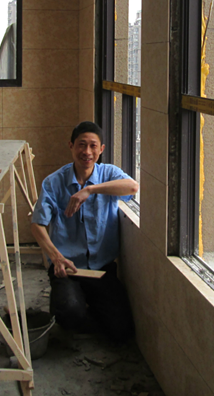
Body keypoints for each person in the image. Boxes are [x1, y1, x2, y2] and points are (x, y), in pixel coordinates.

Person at [30, 121, 139, 342]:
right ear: (71, 146)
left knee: (122, 332)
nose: (87, 152)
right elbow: (37, 224)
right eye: (81, 145)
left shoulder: (108, 173)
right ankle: (70, 305)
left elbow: (132, 187)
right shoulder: (54, 182)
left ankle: (86, 306)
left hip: (102, 269)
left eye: (93, 146)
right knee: (69, 314)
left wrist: (90, 190)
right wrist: (56, 258)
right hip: (68, 268)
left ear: (101, 149)